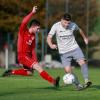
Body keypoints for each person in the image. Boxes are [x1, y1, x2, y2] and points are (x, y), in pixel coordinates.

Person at [2, 6, 60, 87]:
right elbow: (24, 21)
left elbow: (32, 49)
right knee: (38, 68)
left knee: (29, 73)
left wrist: (35, 60)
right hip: (22, 56)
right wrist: (32, 12)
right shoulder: (23, 31)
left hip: (27, 56)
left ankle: (11, 72)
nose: (38, 30)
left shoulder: (33, 36)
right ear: (33, 26)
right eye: (38, 28)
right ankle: (53, 81)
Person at [47, 13, 92, 90]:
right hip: (63, 52)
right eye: (65, 22)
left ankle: (87, 80)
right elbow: (48, 37)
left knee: (82, 62)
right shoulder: (56, 26)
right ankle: (78, 85)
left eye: (68, 23)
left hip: (74, 48)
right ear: (61, 20)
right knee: (68, 71)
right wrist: (51, 45)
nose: (67, 24)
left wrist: (85, 38)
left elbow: (79, 30)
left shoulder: (73, 25)